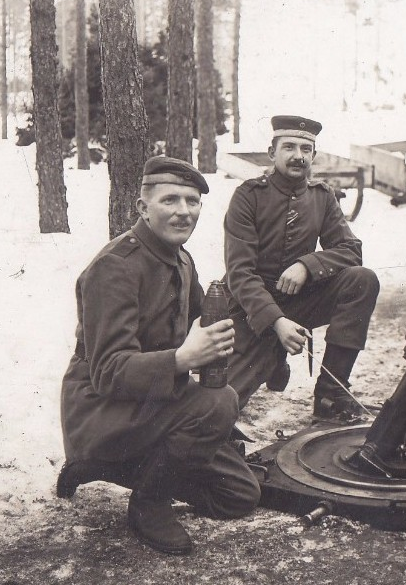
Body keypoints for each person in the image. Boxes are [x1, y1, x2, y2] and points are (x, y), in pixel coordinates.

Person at [57, 156, 260, 555]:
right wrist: (183, 361)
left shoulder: (181, 260)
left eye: (192, 201)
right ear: (142, 208)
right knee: (219, 402)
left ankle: (107, 468)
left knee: (238, 494)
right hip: (101, 409)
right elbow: (109, 373)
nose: (184, 212)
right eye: (170, 200)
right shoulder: (115, 267)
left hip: (152, 405)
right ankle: (148, 501)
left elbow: (204, 321)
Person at [223, 115, 380, 422]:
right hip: (250, 309)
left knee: (362, 280)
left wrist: (308, 265)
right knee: (220, 407)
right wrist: (276, 321)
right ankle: (273, 356)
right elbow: (239, 273)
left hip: (299, 300)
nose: (298, 155)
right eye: (289, 147)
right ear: (272, 153)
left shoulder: (322, 196)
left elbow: (351, 250)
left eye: (306, 149)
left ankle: (330, 396)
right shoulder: (248, 196)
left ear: (314, 156)